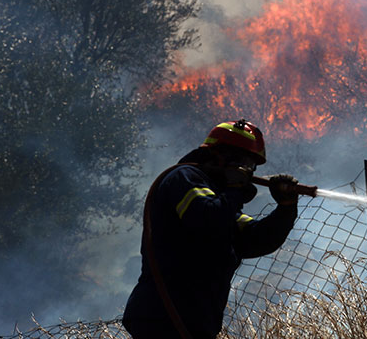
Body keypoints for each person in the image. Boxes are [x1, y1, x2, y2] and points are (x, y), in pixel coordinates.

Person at [122, 119, 300, 339]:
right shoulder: (184, 178)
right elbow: (207, 218)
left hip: (195, 320)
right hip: (164, 316)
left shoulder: (220, 199)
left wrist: (286, 208)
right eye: (245, 162)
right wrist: (235, 190)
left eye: (252, 166)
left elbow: (257, 239)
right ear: (221, 156)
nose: (248, 171)